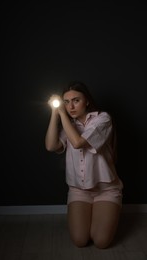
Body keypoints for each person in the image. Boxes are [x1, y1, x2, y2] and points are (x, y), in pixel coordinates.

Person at [45, 81, 123, 249]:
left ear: (87, 101)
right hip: (79, 190)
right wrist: (54, 113)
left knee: (101, 242)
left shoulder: (102, 119)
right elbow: (51, 146)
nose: (70, 106)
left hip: (106, 190)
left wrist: (62, 114)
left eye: (76, 100)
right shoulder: (69, 125)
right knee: (80, 240)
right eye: (66, 102)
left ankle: (107, 214)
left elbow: (79, 142)